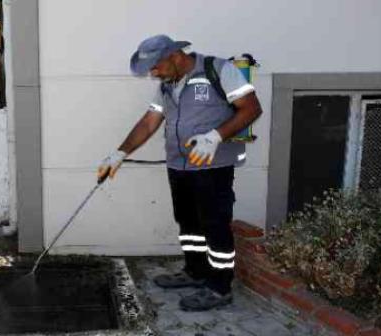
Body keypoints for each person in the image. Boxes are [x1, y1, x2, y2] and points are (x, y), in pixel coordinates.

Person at [97, 35, 262, 311]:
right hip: (178, 166)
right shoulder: (166, 85)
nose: (153, 73)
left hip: (213, 167)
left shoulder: (218, 70)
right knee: (188, 223)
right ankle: (195, 272)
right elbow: (149, 123)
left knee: (215, 226)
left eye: (155, 66)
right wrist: (120, 153)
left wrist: (215, 136)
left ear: (174, 56)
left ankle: (220, 287)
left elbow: (252, 108)